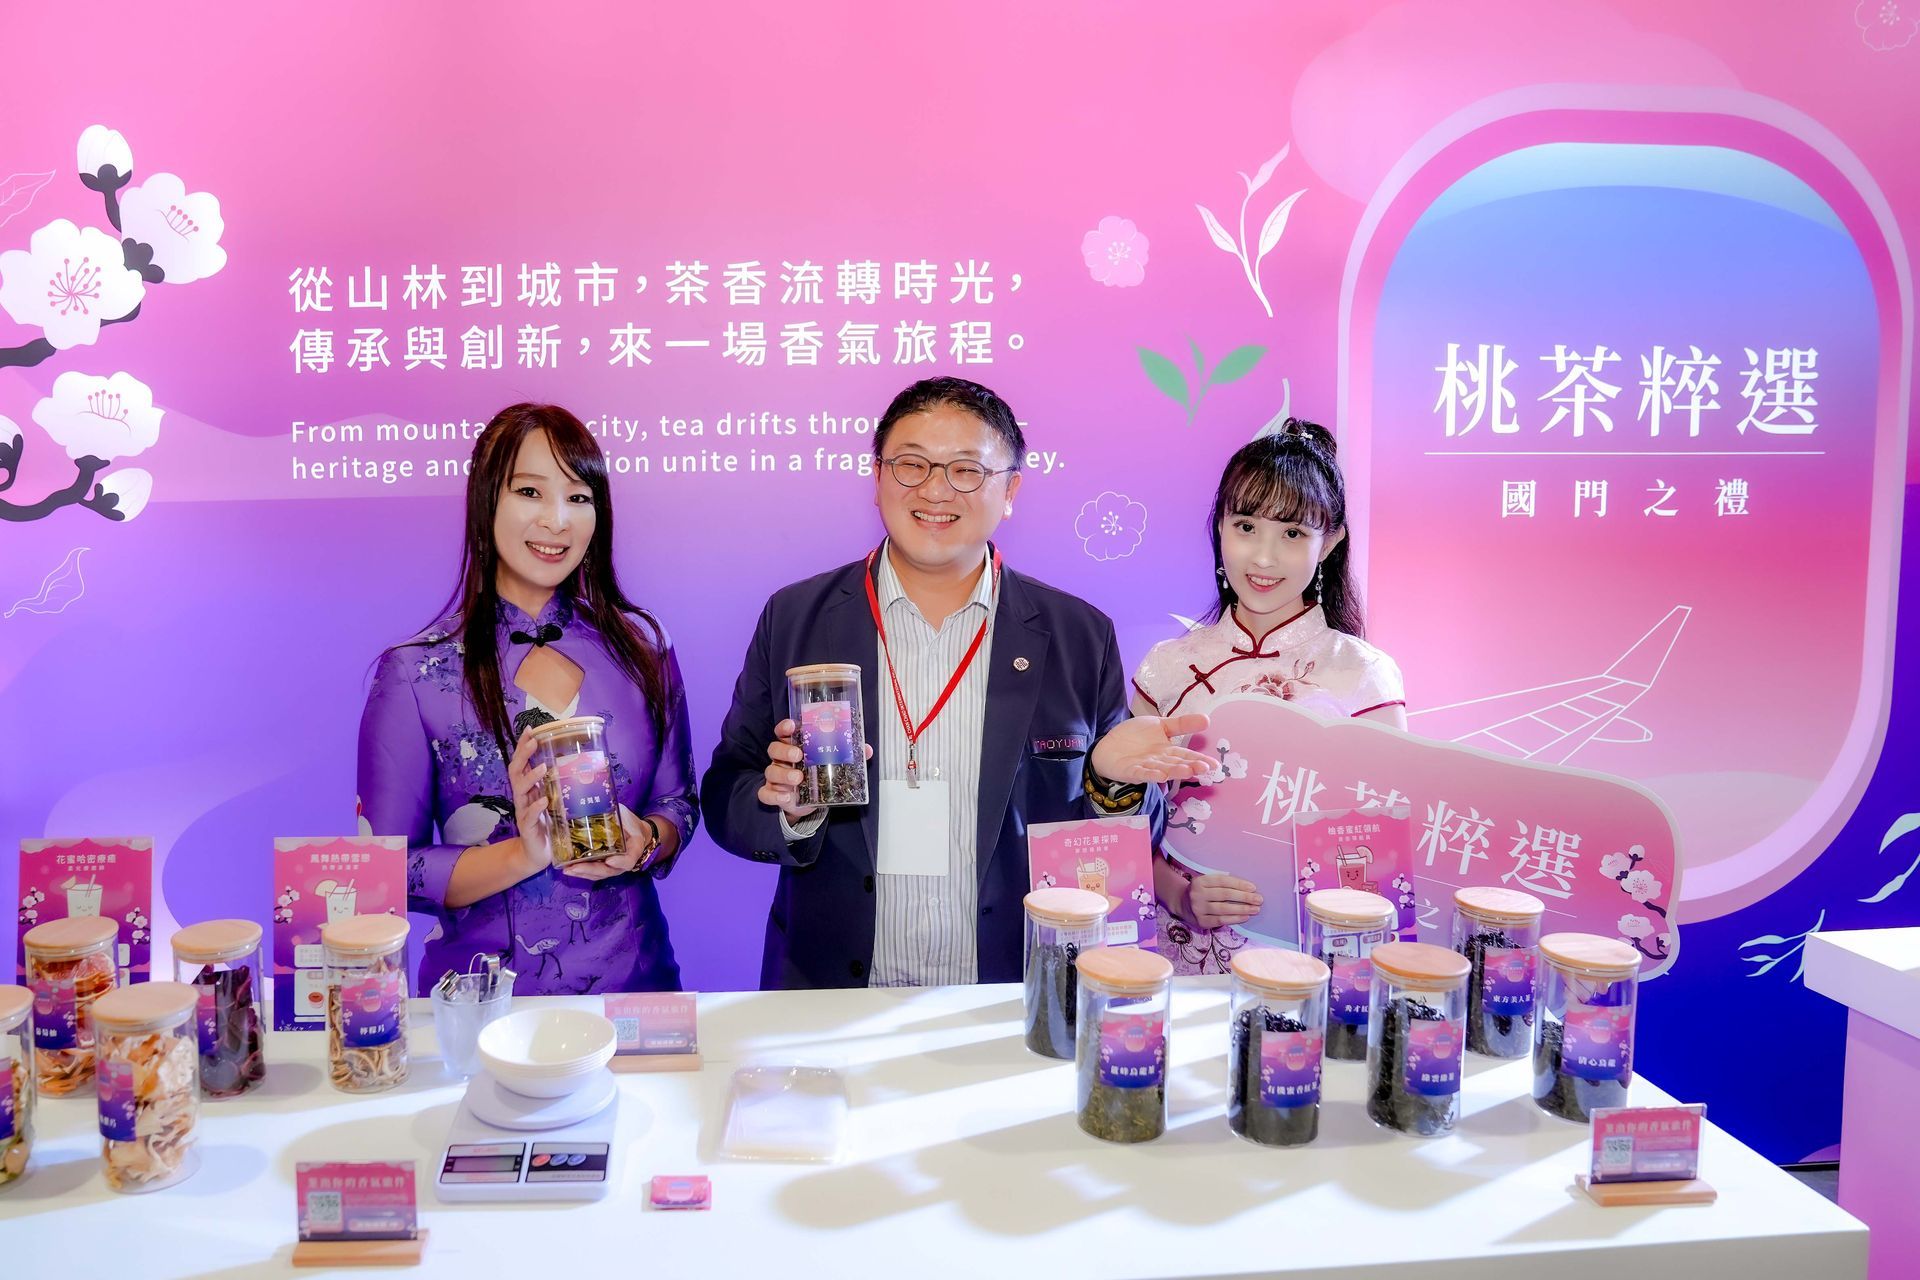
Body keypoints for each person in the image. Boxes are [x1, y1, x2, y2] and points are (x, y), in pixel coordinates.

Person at [702, 377, 1212, 989]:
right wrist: (786, 807)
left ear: (1010, 490)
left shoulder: (1078, 635)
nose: (935, 490)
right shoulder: (797, 617)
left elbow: (1123, 846)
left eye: (966, 470)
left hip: (1011, 992)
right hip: (830, 991)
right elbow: (726, 794)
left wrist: (1112, 784)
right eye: (911, 464)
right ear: (877, 476)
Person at [357, 403, 698, 994]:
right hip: (482, 1002)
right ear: (486, 500)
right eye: (530, 492)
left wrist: (645, 841)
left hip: (636, 992)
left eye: (578, 496)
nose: (557, 520)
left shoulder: (643, 648)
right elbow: (386, 869)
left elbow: (677, 802)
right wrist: (523, 854)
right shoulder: (415, 671)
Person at [1130, 420, 1406, 974]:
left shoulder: (1363, 674)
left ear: (1330, 543)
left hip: (1310, 960)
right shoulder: (1165, 667)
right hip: (1180, 954)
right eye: (1246, 526)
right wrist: (1179, 894)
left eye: (1292, 533)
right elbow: (1130, 819)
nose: (1263, 557)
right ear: (1220, 528)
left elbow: (1383, 843)